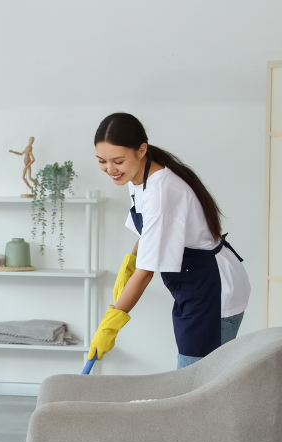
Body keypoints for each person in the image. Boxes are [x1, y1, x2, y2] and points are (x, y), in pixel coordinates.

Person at [90, 113, 250, 369]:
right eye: (102, 161)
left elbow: (145, 274)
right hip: (193, 286)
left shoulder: (162, 192)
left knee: (196, 381)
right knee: (194, 379)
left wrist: (112, 324)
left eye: (117, 161)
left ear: (141, 150)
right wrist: (129, 263)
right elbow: (148, 233)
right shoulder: (137, 176)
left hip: (213, 288)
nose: (110, 169)